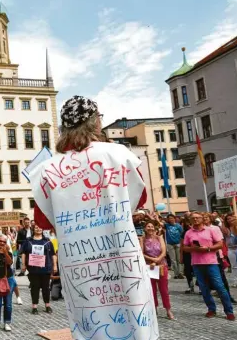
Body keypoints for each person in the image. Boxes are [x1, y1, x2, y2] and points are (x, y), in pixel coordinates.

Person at [29, 96, 157, 340]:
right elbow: (140, 199)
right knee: (135, 324)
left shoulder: (47, 169)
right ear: (95, 123)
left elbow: (43, 222)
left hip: (80, 265)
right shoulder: (120, 154)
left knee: (91, 326)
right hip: (121, 258)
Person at [183, 212, 235, 320]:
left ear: (202, 219)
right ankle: (211, 309)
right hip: (196, 263)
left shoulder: (212, 229)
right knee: (204, 288)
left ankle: (229, 311)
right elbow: (184, 247)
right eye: (193, 218)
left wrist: (207, 248)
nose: (195, 220)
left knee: (220, 287)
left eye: (197, 218)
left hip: (211, 262)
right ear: (190, 220)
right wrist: (194, 248)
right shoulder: (188, 232)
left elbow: (220, 244)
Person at [142, 221, 175, 320]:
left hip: (161, 266)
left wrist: (157, 260)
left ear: (155, 228)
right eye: (148, 226)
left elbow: (164, 252)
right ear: (145, 228)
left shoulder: (159, 237)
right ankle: (154, 309)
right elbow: (141, 252)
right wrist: (152, 260)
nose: (150, 228)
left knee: (164, 289)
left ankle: (168, 310)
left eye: (152, 226)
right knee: (152, 290)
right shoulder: (142, 239)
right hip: (149, 267)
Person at [21, 224, 56, 314]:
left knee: (46, 288)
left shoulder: (47, 241)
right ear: (33, 229)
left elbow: (53, 254)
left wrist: (55, 265)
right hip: (33, 269)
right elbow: (24, 253)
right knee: (34, 287)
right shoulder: (28, 241)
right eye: (36, 227)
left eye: (40, 227)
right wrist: (23, 264)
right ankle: (34, 307)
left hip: (45, 268)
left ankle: (47, 306)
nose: (38, 228)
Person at [224, 213, 237, 288]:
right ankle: (235, 281)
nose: (229, 220)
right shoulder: (226, 228)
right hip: (231, 248)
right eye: (228, 219)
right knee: (234, 266)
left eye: (231, 218)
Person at [165, 214, 184, 279]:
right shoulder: (166, 225)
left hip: (178, 243)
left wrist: (182, 243)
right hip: (170, 244)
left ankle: (180, 273)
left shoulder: (178, 226)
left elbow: (182, 234)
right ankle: (176, 274)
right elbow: (158, 222)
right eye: (169, 218)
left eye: (172, 218)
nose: (171, 219)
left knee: (179, 259)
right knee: (173, 260)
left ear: (174, 218)